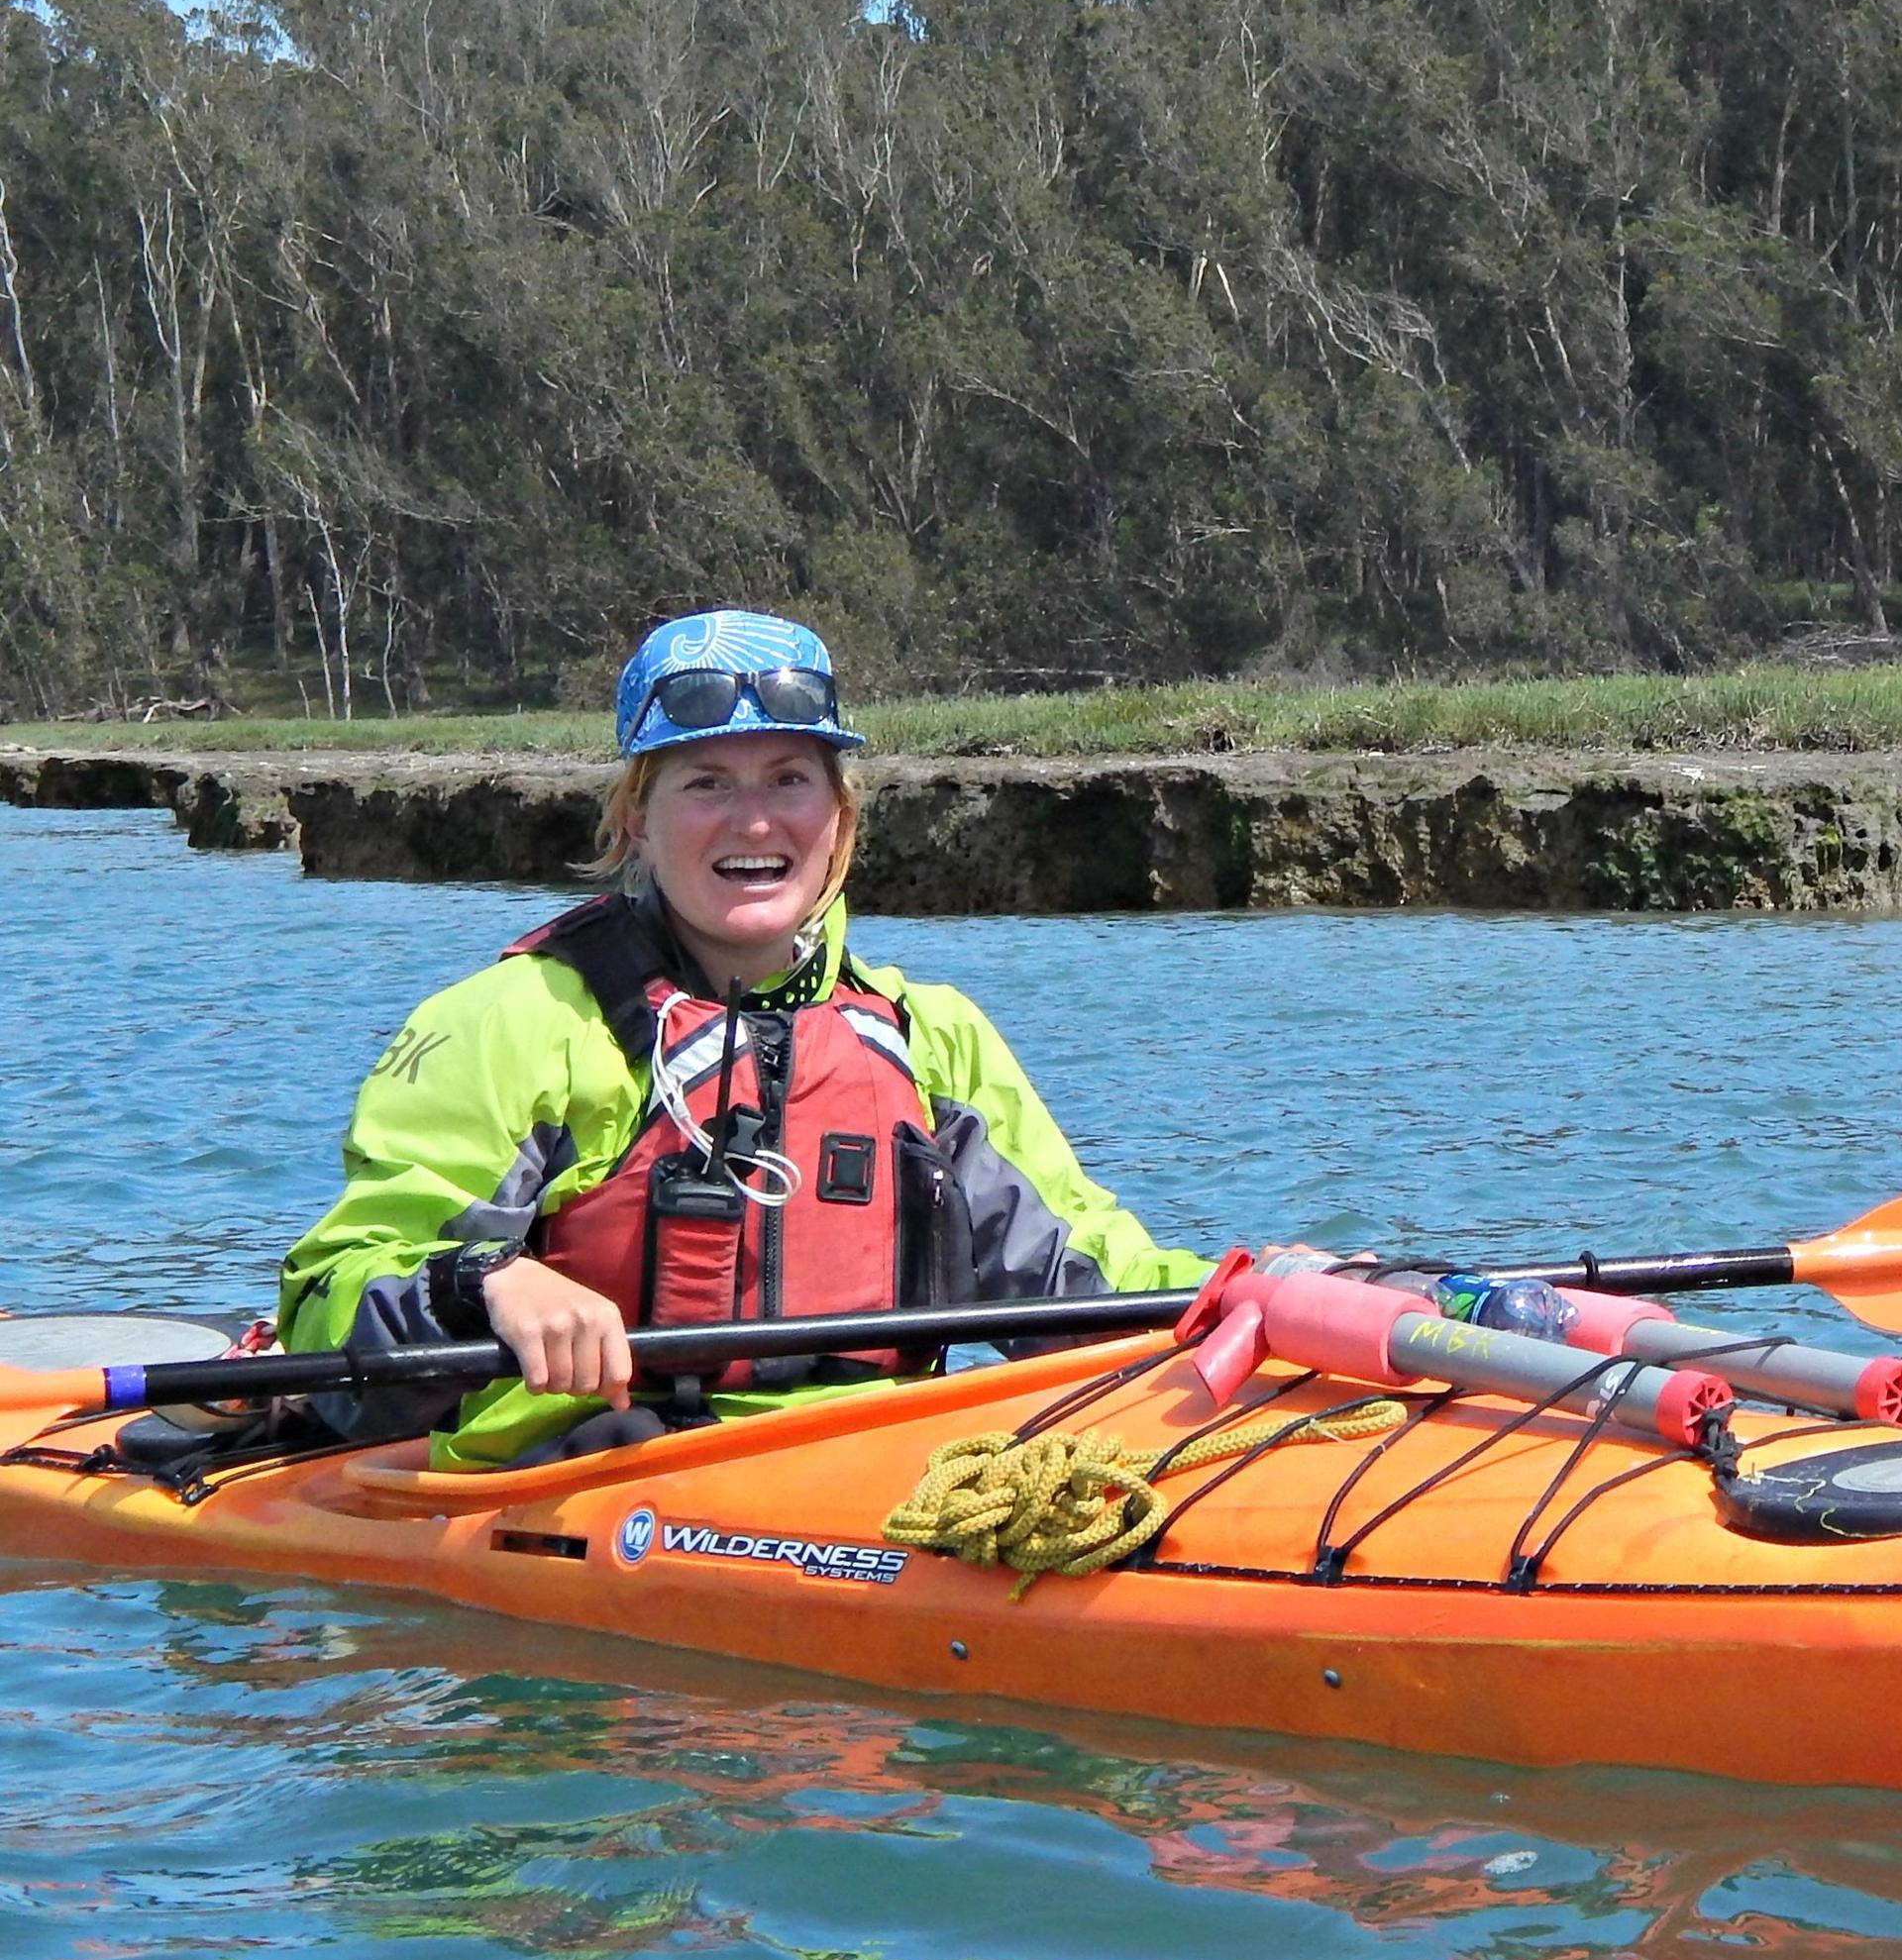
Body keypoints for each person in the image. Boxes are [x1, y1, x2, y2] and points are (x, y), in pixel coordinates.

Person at [277, 610, 1212, 1466]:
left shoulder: (930, 1035)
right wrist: (480, 1285)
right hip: (580, 1481)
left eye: (790, 779)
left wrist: (1259, 1290)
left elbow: (1084, 1278)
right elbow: (330, 1297)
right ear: (636, 818)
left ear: (838, 814)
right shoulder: (513, 1024)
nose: (755, 819)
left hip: (880, 1461)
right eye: (707, 782)